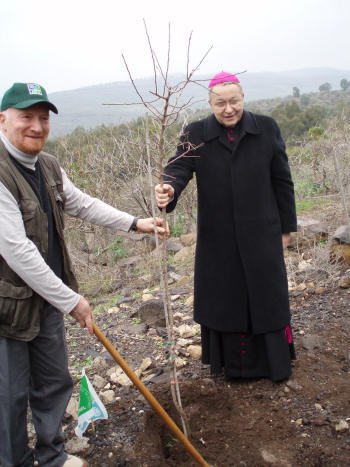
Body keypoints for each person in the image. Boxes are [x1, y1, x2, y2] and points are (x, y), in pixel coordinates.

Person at [0, 82, 169, 467]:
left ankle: (52, 455)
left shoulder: (48, 165)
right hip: (7, 307)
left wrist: (135, 223)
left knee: (53, 381)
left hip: (46, 298)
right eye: (26, 117)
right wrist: (72, 300)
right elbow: (17, 250)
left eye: (43, 118)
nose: (37, 126)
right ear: (3, 120)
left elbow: (82, 204)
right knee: (9, 394)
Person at [155, 71, 297, 383]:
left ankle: (273, 366)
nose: (228, 109)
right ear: (211, 103)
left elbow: (282, 180)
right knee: (226, 297)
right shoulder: (196, 132)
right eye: (221, 103)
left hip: (263, 231)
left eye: (234, 101)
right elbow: (178, 168)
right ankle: (233, 368)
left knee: (267, 296)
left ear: (243, 98)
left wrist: (286, 228)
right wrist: (169, 188)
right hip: (218, 236)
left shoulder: (266, 128)